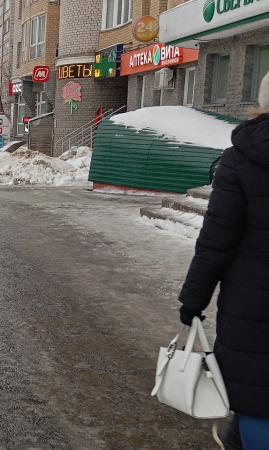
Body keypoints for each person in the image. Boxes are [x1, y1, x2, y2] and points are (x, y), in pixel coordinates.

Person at [177, 71, 269, 450]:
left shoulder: (243, 159)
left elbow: (216, 240)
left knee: (257, 399)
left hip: (255, 309)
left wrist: (193, 300)